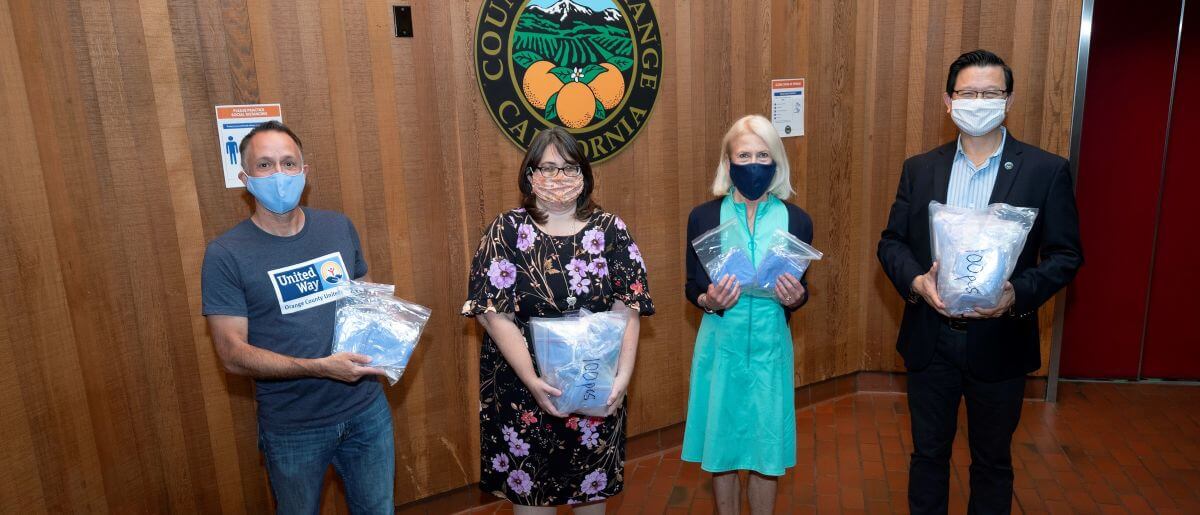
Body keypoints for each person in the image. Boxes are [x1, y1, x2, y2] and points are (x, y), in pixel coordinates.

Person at [877, 50, 1083, 514]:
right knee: (928, 455)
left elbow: (1066, 255)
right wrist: (916, 281)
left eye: (990, 93)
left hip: (1001, 341)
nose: (979, 102)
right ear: (948, 101)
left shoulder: (1045, 170)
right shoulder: (920, 169)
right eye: (968, 93)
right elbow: (891, 243)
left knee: (992, 462)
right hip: (931, 340)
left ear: (1008, 101)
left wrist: (1016, 294)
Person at [201, 121, 395, 514]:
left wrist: (394, 334)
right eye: (265, 165)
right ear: (245, 178)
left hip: (366, 411)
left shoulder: (337, 227)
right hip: (293, 427)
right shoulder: (225, 254)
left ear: (304, 173)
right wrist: (320, 367)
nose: (279, 174)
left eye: (289, 164)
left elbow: (365, 300)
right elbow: (232, 354)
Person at [462, 127, 653, 513]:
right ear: (529, 175)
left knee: (591, 498)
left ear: (584, 174)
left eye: (569, 168)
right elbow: (494, 315)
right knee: (532, 501)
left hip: (594, 389)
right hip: (524, 391)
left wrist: (622, 376)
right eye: (547, 168)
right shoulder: (506, 231)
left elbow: (628, 308)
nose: (559, 177)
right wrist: (534, 382)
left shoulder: (610, 230)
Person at [682, 114, 814, 515]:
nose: (753, 164)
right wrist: (709, 300)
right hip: (720, 347)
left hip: (771, 350)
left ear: (776, 162)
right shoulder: (703, 217)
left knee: (765, 451)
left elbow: (800, 290)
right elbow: (691, 286)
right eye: (744, 155)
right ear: (728, 162)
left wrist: (796, 298)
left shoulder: (797, 220)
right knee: (721, 449)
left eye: (762, 155)